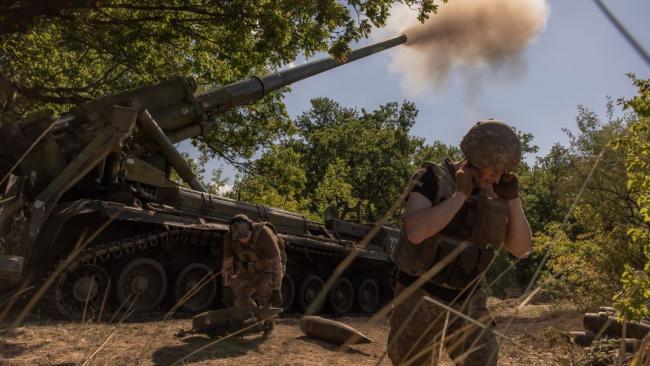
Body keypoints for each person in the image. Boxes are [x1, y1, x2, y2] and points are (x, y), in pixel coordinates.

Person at [388, 120, 532, 365]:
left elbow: (522, 250)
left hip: (468, 300)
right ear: (475, 158)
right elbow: (416, 232)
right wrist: (461, 195)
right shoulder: (433, 177)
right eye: (494, 169)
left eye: (504, 171)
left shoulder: (497, 191)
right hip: (420, 296)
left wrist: (514, 201)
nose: (498, 177)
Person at [221, 214, 285, 334]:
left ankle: (267, 322)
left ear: (251, 228)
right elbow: (227, 264)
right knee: (235, 289)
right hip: (250, 267)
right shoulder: (230, 238)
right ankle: (254, 318)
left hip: (270, 268)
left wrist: (277, 289)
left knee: (266, 291)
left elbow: (277, 263)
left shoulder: (264, 234)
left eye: (244, 236)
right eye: (238, 237)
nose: (242, 240)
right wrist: (226, 287)